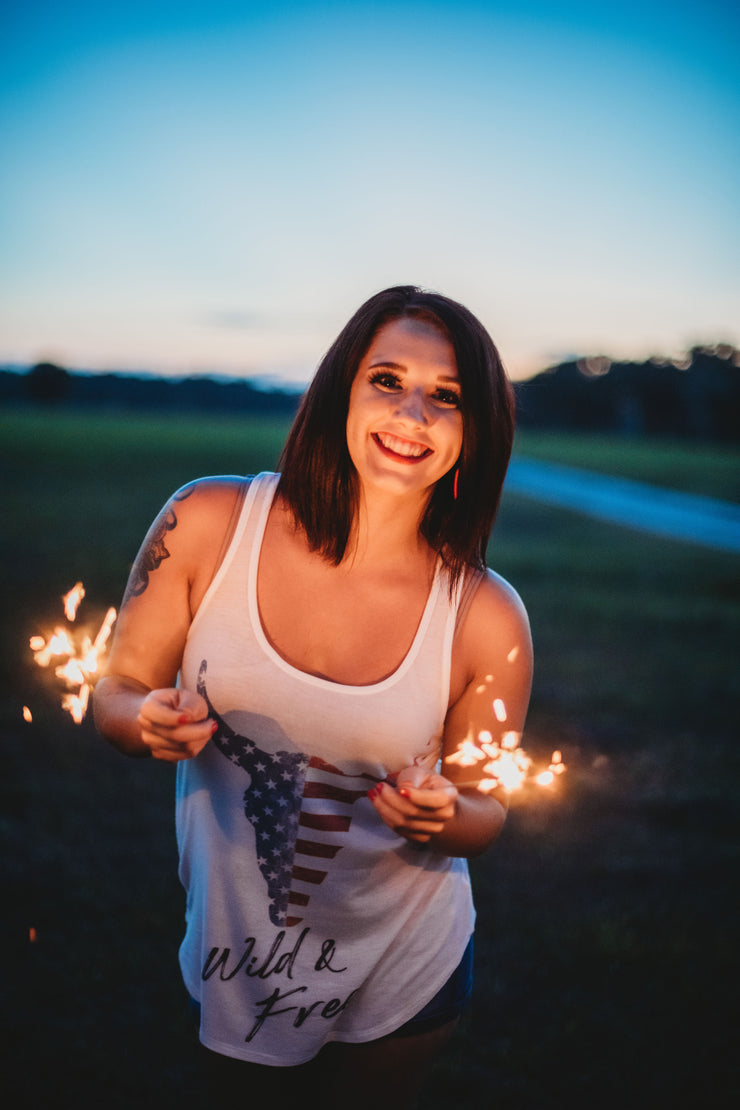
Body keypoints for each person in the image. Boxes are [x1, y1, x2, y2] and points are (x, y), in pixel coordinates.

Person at [93, 285, 533, 1107]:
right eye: (386, 380)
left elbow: (488, 809)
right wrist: (139, 719)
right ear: (341, 389)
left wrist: (448, 814)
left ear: (477, 432)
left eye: (448, 397)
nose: (413, 414)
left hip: (405, 968)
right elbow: (113, 691)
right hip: (234, 952)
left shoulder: (486, 612)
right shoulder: (208, 522)